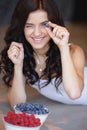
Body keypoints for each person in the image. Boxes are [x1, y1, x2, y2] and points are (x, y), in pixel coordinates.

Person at [0, 0, 87, 107]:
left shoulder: (73, 51)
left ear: (54, 25)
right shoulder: (22, 55)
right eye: (29, 25)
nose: (37, 33)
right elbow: (17, 105)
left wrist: (63, 48)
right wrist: (18, 66)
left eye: (44, 24)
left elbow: (74, 93)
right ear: (21, 27)